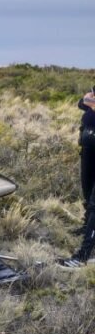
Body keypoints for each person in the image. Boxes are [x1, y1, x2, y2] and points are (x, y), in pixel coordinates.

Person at [59, 87, 95, 267]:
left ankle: (83, 255)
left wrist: (90, 101)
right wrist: (88, 101)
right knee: (88, 193)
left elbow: (88, 101)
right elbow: (83, 102)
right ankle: (87, 227)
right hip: (89, 152)